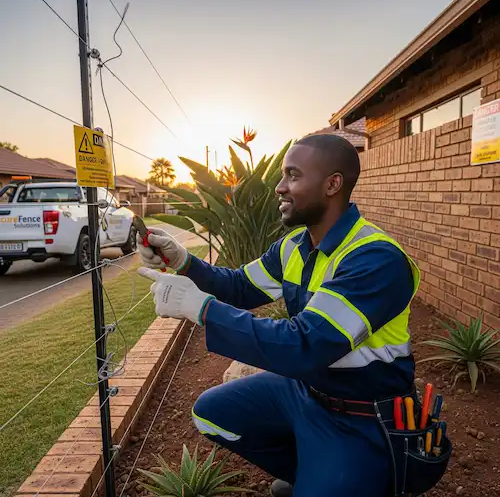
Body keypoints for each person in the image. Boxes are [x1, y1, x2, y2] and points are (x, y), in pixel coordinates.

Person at [137, 134, 420, 497]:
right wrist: (182, 261)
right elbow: (239, 286)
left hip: (361, 414)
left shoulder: (375, 259)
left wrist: (201, 308)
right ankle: (310, 470)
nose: (279, 187)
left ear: (333, 184)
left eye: (293, 175)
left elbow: (305, 344)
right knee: (211, 413)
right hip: (305, 390)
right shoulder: (294, 246)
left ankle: (340, 473)